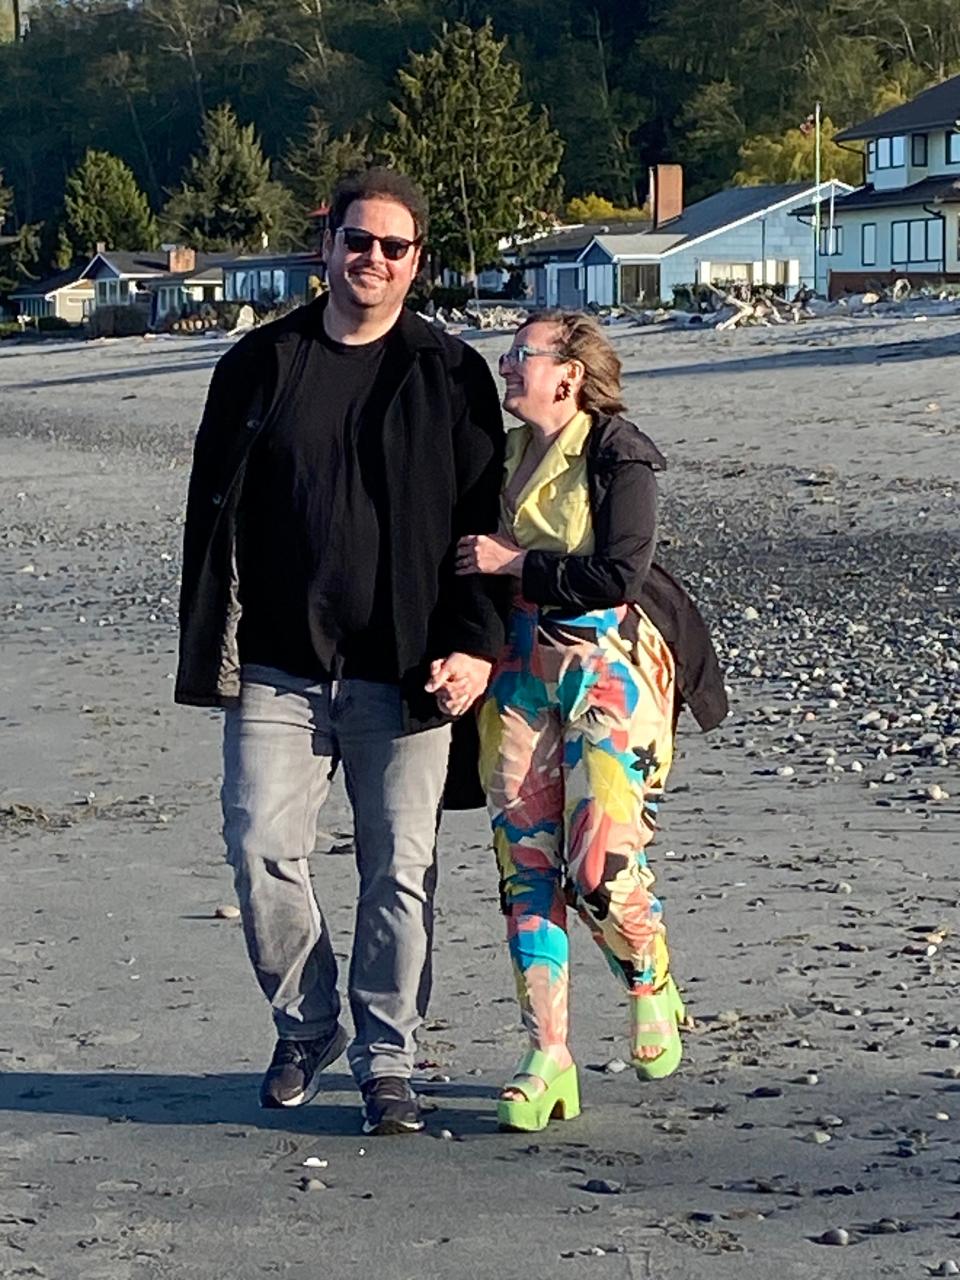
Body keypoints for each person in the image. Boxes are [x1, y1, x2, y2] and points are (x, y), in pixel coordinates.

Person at [175, 167, 505, 1136]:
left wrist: (476, 645)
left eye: (392, 246)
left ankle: (388, 1061)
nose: (372, 258)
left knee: (399, 870)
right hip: (280, 664)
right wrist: (214, 644)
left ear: (417, 263)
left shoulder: (449, 373)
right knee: (262, 850)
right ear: (325, 249)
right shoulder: (259, 365)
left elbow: (483, 524)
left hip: (405, 670)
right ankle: (309, 1023)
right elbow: (213, 516)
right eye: (357, 240)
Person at [456, 311, 727, 1132]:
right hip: (516, 670)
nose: (504, 365)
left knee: (600, 862)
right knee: (526, 867)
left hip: (614, 666)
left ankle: (650, 977)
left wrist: (517, 563)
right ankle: (547, 1057)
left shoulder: (618, 450)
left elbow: (621, 568)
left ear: (567, 372)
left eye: (520, 354)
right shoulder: (498, 456)